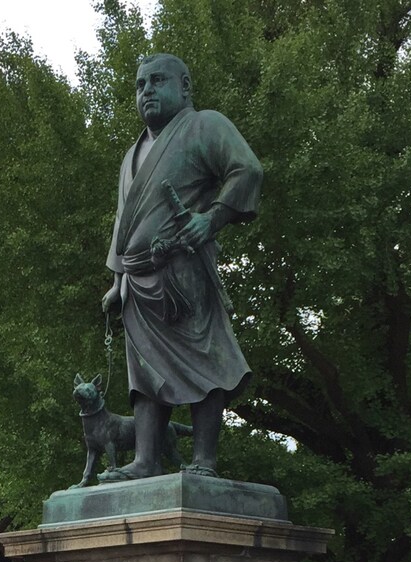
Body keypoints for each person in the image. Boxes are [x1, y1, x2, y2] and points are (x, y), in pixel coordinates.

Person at [101, 54, 263, 480]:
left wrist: (211, 219)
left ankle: (204, 460)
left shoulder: (204, 126)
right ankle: (145, 459)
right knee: (144, 371)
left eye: (157, 81)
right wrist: (117, 280)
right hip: (138, 280)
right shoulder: (131, 155)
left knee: (204, 359)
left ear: (185, 87)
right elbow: (122, 222)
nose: (147, 91)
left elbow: (247, 169)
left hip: (183, 268)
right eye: (140, 85)